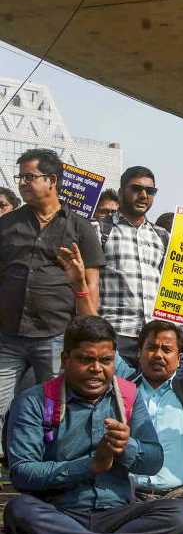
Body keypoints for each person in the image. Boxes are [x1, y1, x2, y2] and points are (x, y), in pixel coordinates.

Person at [4, 316, 183, 534]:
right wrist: (91, 465)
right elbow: (23, 473)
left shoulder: (128, 395)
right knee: (20, 510)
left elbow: (153, 459)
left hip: (116, 514)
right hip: (60, 514)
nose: (96, 369)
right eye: (85, 360)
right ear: (65, 359)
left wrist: (127, 447)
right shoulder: (34, 402)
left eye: (105, 361)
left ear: (114, 359)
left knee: (180, 515)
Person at [0, 148, 105, 456]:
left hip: (56, 336)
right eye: (20, 177)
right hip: (6, 336)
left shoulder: (80, 227)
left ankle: (52, 470)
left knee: (55, 410)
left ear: (52, 180)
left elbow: (92, 283)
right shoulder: (6, 224)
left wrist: (88, 333)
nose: (22, 183)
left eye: (29, 177)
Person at [113, 320, 183, 524]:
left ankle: (139, 521)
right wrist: (83, 294)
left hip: (178, 496)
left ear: (179, 359)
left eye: (166, 349)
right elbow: (100, 345)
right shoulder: (124, 384)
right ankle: (159, 524)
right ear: (139, 353)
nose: (158, 355)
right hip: (128, 493)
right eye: (151, 347)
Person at [98, 165, 168, 366]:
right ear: (121, 193)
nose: (144, 195)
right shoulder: (100, 229)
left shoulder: (162, 236)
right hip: (113, 334)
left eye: (150, 191)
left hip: (153, 338)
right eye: (136, 189)